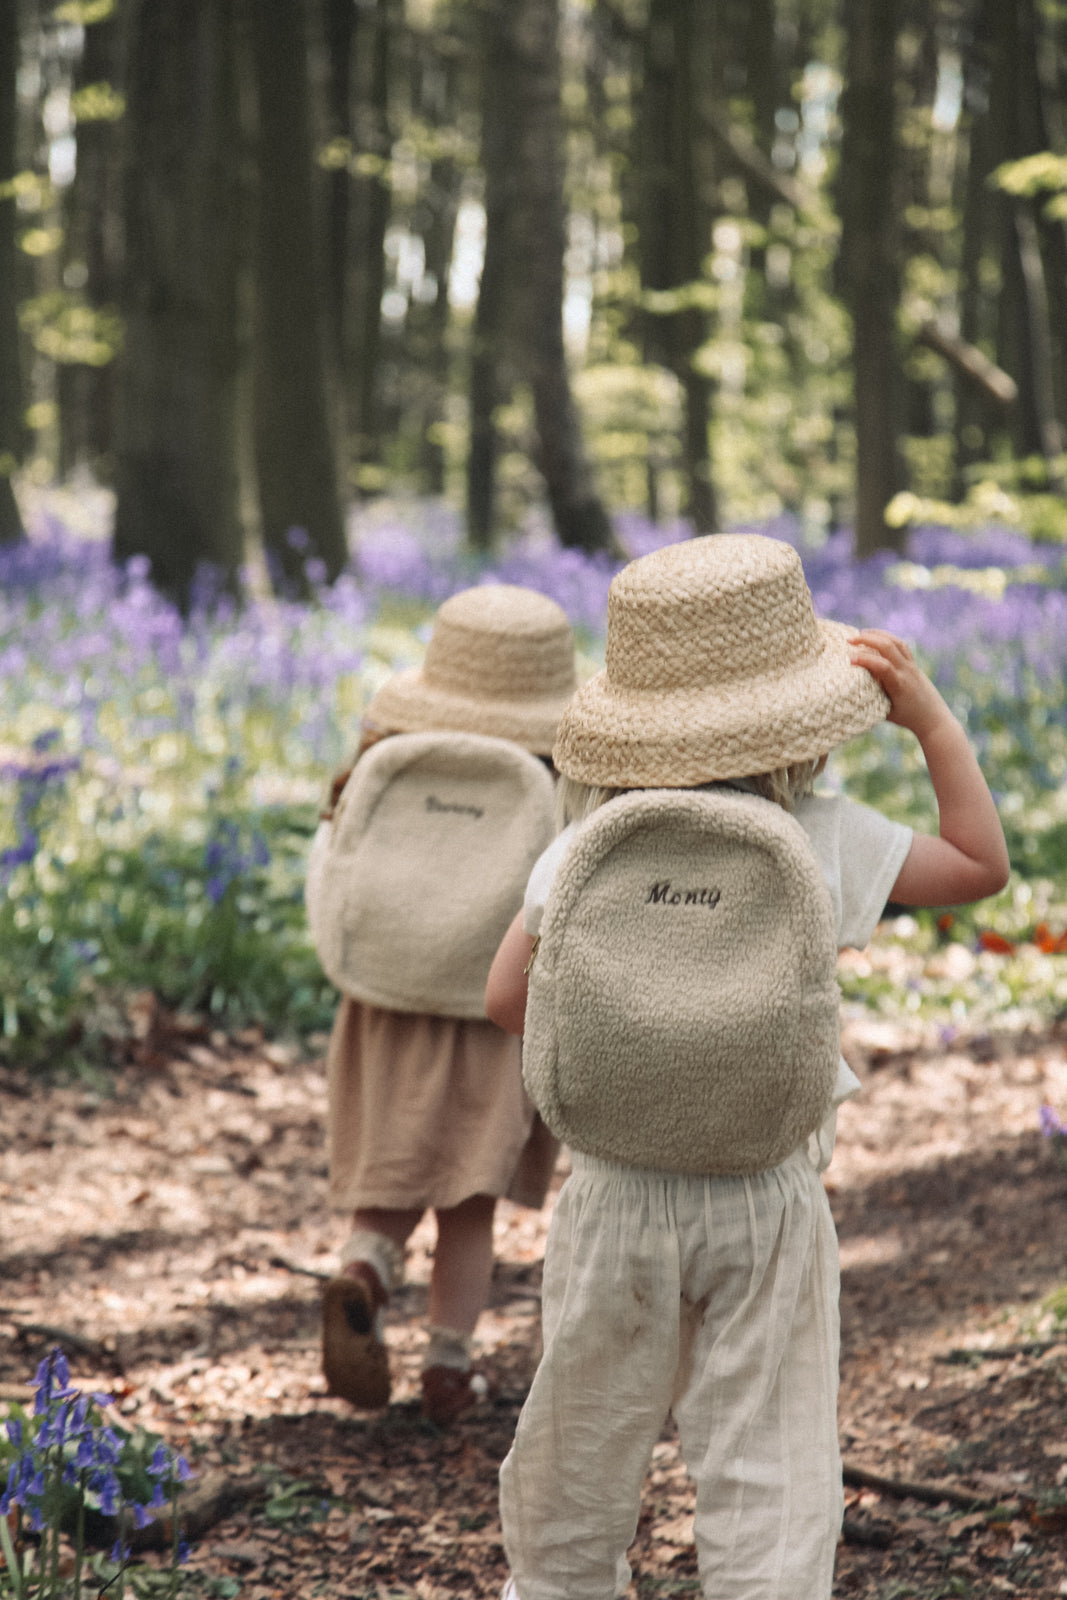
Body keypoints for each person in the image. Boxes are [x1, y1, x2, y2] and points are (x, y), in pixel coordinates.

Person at [485, 534, 1009, 1600]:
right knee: (765, 1450)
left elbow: (504, 1000)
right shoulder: (816, 834)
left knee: (582, 1439)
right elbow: (978, 866)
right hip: (764, 1196)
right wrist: (932, 724)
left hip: (614, 1195)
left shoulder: (586, 845)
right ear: (797, 715)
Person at [310, 583, 576, 1426]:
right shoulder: (559, 775)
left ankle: (365, 1268)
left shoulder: (389, 750)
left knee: (390, 1165)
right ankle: (448, 1365)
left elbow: (331, 847)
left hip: (385, 996)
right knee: (469, 1198)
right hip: (493, 1005)